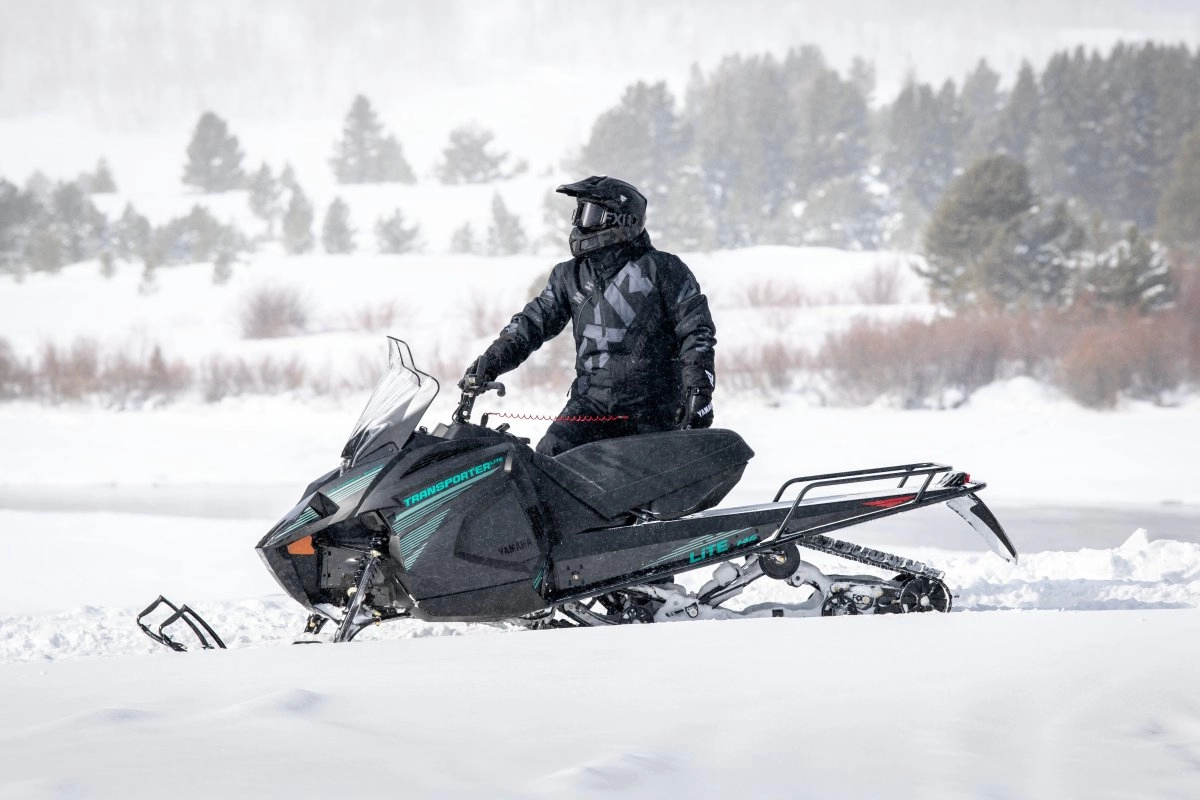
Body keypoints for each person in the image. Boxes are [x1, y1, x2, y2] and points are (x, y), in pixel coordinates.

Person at [461, 175, 717, 456]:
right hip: (590, 406)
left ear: (622, 220)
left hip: (654, 410)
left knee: (629, 480)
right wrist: (491, 361)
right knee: (546, 461)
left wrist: (698, 391)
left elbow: (697, 332)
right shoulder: (568, 275)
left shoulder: (664, 269)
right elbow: (531, 323)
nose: (580, 223)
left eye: (591, 214)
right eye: (579, 213)